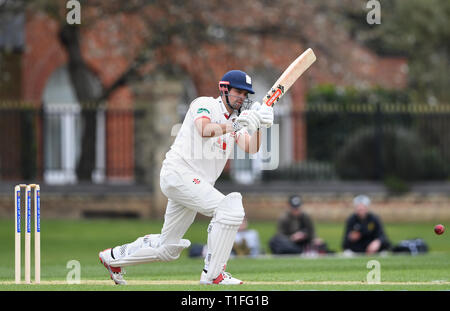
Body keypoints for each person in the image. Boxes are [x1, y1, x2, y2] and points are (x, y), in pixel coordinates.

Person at [98, 70, 274, 285]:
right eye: (238, 92)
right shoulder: (205, 104)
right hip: (179, 173)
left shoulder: (235, 121)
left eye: (246, 94)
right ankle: (214, 274)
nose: (242, 97)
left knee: (168, 248)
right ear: (224, 89)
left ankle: (113, 257)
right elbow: (204, 129)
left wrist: (260, 126)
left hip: (194, 184)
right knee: (230, 208)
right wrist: (237, 125)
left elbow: (252, 148)